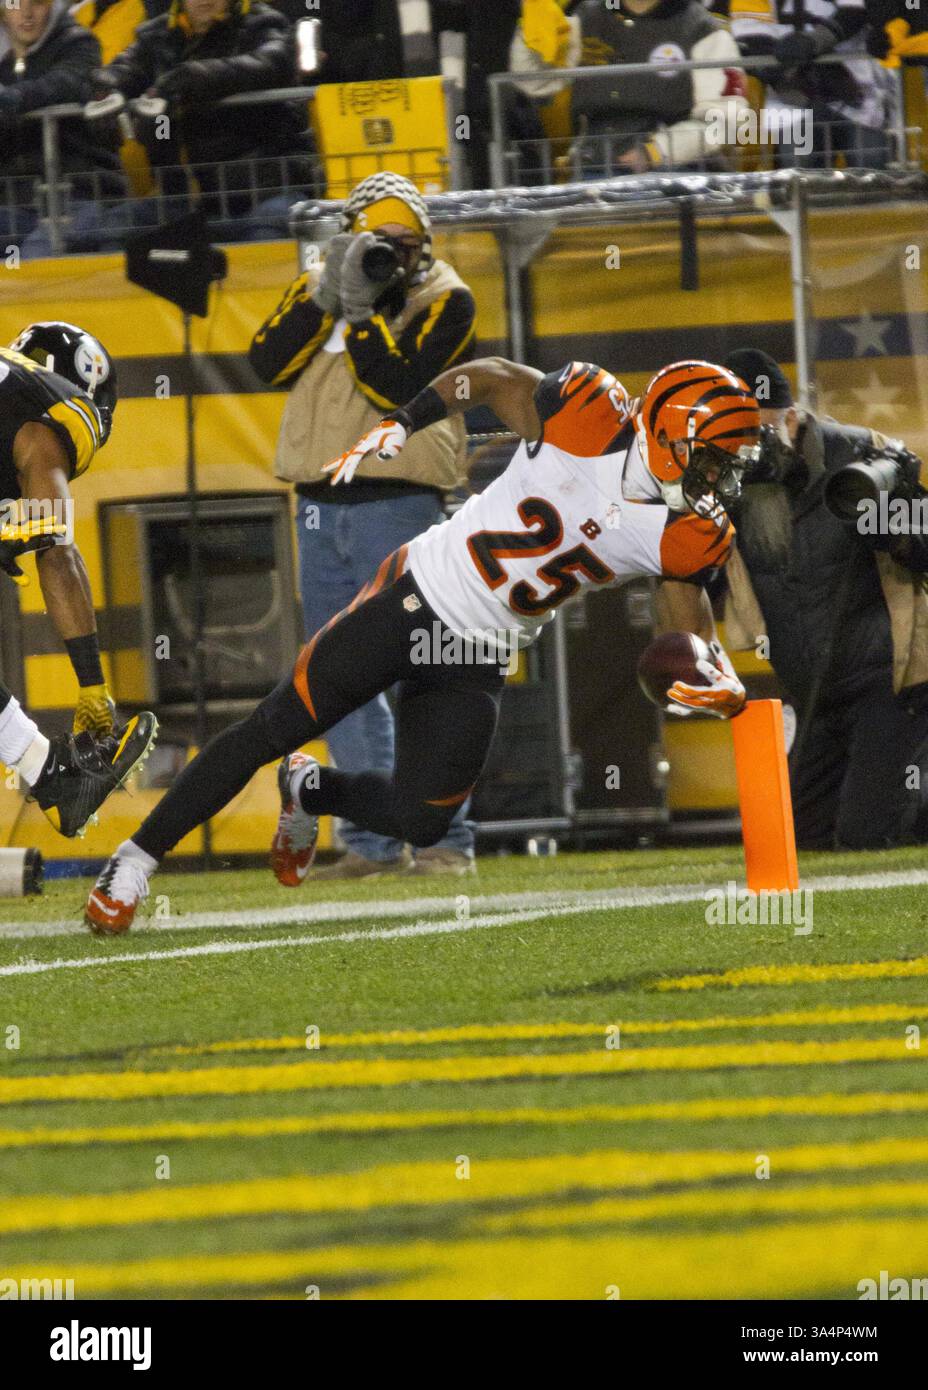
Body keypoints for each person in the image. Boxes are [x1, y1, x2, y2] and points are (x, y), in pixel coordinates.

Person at [84, 356, 760, 933]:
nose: (720, 481)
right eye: (715, 460)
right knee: (274, 724)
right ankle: (136, 860)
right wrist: (407, 421)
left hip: (480, 652)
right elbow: (491, 379)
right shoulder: (584, 409)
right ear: (674, 435)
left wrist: (707, 673)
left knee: (424, 821)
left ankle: (310, 789)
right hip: (415, 595)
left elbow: (686, 633)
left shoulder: (686, 530)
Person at [248, 171, 478, 879]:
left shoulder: (448, 297)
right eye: (378, 241)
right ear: (350, 236)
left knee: (426, 671)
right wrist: (327, 298)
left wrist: (366, 309)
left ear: (426, 243)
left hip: (398, 498)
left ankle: (443, 840)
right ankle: (373, 842)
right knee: (338, 678)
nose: (394, 255)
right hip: (319, 502)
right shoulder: (321, 279)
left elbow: (398, 388)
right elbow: (264, 361)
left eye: (406, 243)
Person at [721, 347, 928, 849]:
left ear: (792, 419)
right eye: (735, 439)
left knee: (867, 835)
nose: (750, 450)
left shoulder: (864, 456)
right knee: (796, 845)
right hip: (814, 695)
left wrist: (894, 531)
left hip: (891, 686)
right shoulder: (728, 486)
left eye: (759, 433)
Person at [0, 322, 158, 835]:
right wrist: (92, 684)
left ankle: (49, 776)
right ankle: (52, 779)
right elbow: (56, 543)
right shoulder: (55, 413)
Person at [84, 0, 304, 234]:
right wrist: (104, 90)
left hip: (263, 193)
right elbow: (120, 70)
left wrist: (198, 76)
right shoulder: (155, 35)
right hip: (181, 198)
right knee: (107, 231)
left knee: (266, 230)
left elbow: (275, 62)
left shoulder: (263, 22)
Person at [511, 0, 748, 174]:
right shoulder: (587, 16)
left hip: (678, 173)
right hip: (593, 167)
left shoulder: (702, 28)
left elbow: (726, 120)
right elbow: (534, 81)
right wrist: (532, 28)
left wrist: (656, 152)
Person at [0, 0, 118, 256]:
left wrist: (11, 99)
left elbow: (64, 83)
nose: (27, 14)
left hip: (83, 195)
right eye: (15, 4)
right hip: (16, 201)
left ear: (53, 7)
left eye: (38, 3)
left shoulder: (79, 44)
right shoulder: (4, 65)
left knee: (37, 260)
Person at [732, 0, 894, 167]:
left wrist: (813, 43)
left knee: (872, 173)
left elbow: (855, 12)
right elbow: (752, 40)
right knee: (799, 178)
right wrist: (804, 82)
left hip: (860, 96)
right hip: (792, 102)